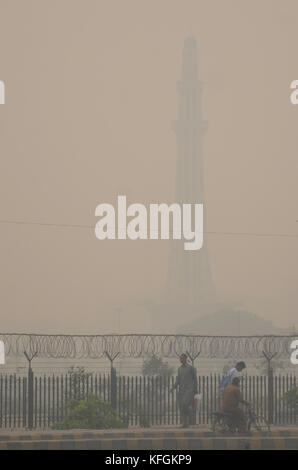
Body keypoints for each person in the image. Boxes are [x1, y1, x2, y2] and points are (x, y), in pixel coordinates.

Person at [170, 353, 198, 428]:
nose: (180, 359)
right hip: (182, 390)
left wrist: (195, 389)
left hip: (190, 390)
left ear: (185, 359)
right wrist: (173, 387)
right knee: (182, 407)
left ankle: (191, 417)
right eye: (180, 358)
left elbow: (195, 379)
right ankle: (185, 423)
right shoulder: (179, 369)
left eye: (182, 358)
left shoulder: (191, 368)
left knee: (185, 404)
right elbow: (178, 380)